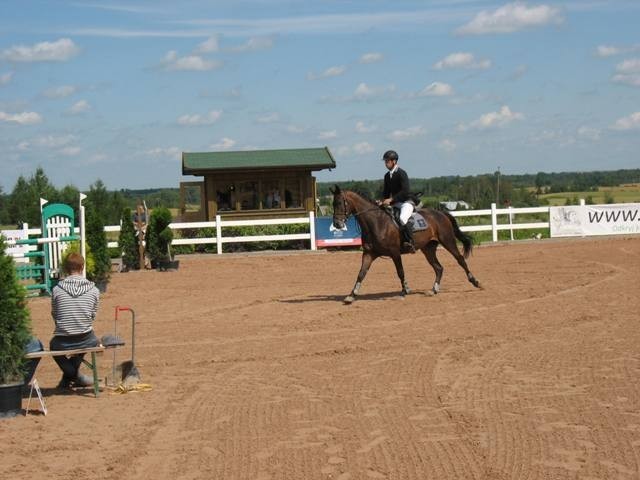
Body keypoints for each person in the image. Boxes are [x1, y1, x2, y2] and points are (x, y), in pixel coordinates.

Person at [50, 252, 100, 389]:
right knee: (89, 339)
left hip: (62, 340)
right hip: (86, 338)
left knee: (53, 345)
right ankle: (75, 376)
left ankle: (69, 376)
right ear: (82, 267)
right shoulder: (94, 290)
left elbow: (55, 313)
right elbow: (92, 315)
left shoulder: (56, 289)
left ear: (66, 268)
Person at [377, 150, 415, 253]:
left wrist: (391, 199)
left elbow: (405, 191)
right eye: (385, 161)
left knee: (402, 219)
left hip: (406, 202)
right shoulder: (387, 176)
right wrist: (382, 201)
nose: (385, 163)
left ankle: (410, 242)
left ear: (394, 161)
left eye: (387, 161)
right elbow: (386, 193)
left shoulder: (401, 173)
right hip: (396, 203)